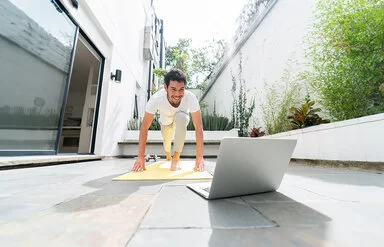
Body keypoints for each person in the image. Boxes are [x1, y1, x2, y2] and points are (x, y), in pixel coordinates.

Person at [131, 69, 205, 172]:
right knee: (167, 142)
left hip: (181, 121)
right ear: (165, 87)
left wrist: (200, 157)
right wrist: (140, 157)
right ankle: (168, 154)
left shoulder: (191, 98)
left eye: (181, 89)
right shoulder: (156, 98)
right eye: (173, 89)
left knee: (181, 117)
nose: (177, 94)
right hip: (165, 123)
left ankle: (176, 159)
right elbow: (144, 127)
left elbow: (199, 127)